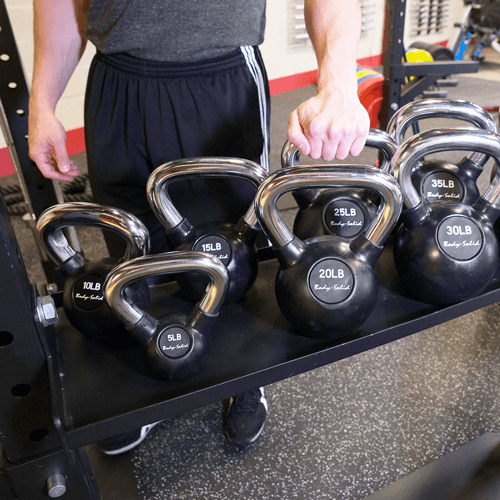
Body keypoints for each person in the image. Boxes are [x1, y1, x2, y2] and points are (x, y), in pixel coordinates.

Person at [28, 0, 369, 452]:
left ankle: (243, 380)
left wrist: (340, 83)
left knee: (231, 250)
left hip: (221, 76)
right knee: (133, 247)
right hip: (117, 81)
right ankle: (156, 376)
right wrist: (42, 99)